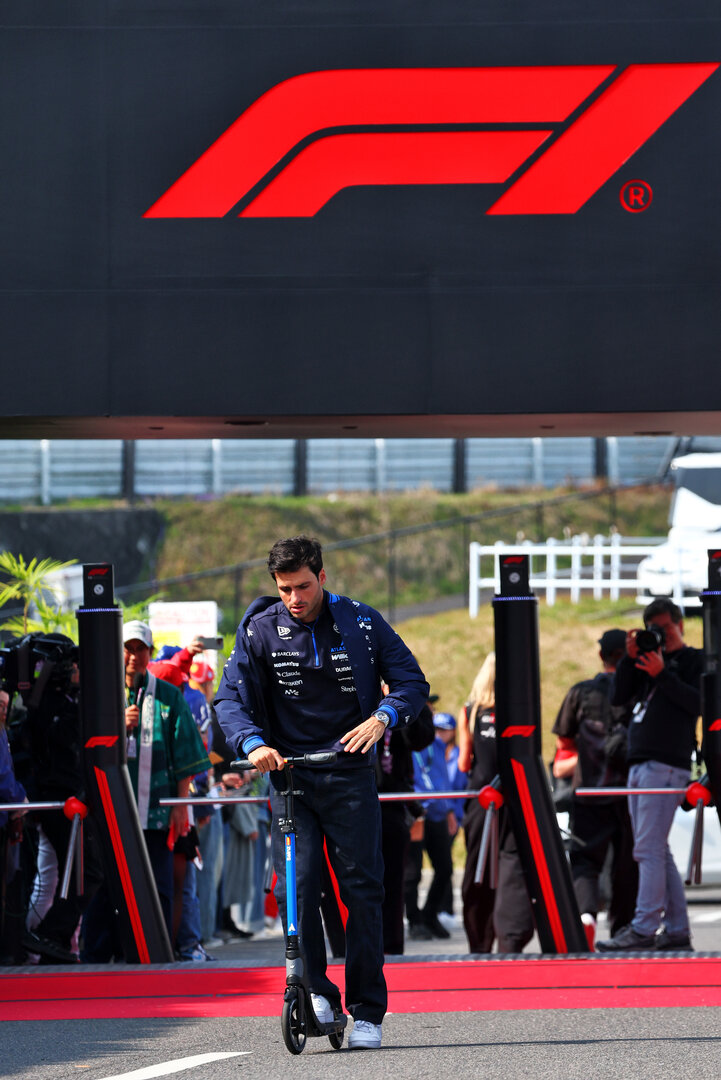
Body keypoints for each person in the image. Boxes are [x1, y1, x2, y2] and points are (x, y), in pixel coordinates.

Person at [214, 535, 429, 1049]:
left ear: (322, 577)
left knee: (364, 892)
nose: (295, 598)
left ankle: (368, 1011)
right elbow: (229, 698)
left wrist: (384, 717)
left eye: (304, 586)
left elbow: (412, 683)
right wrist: (252, 741)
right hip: (290, 777)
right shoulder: (258, 630)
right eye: (285, 589)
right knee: (297, 891)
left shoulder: (360, 620)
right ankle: (317, 992)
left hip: (350, 774)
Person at [83, 620, 210, 960]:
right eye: (127, 648)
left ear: (150, 653)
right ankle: (97, 958)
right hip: (109, 813)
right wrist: (117, 728)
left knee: (160, 886)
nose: (133, 656)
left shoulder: (168, 696)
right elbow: (81, 747)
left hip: (157, 812)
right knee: (106, 888)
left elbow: (186, 750)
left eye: (140, 648)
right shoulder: (99, 694)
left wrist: (181, 806)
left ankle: (158, 953)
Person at [596, 599, 703, 952]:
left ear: (680, 625)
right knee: (658, 849)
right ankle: (675, 931)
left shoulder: (694, 661)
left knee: (646, 848)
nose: (660, 636)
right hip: (639, 761)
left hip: (667, 762)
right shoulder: (643, 659)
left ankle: (643, 927)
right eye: (653, 629)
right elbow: (618, 697)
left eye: (665, 629)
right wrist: (630, 658)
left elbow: (698, 704)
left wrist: (662, 673)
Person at [551, 629, 638, 949]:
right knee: (627, 865)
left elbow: (563, 740)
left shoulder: (581, 692)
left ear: (601, 656)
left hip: (588, 791)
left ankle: (586, 919)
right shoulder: (638, 690)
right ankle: (624, 930)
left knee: (586, 860)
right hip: (630, 792)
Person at [457, 653, 534, 954]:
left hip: (481, 799)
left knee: (477, 873)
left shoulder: (471, 710)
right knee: (512, 869)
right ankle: (509, 940)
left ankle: (479, 943)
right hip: (514, 798)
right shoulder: (518, 711)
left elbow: (464, 762)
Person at [404, 712, 458, 941]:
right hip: (416, 813)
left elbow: (442, 778)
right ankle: (415, 920)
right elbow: (414, 775)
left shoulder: (436, 745)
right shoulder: (405, 740)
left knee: (445, 868)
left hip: (436, 813)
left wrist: (449, 809)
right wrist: (419, 803)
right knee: (413, 873)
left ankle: (429, 914)